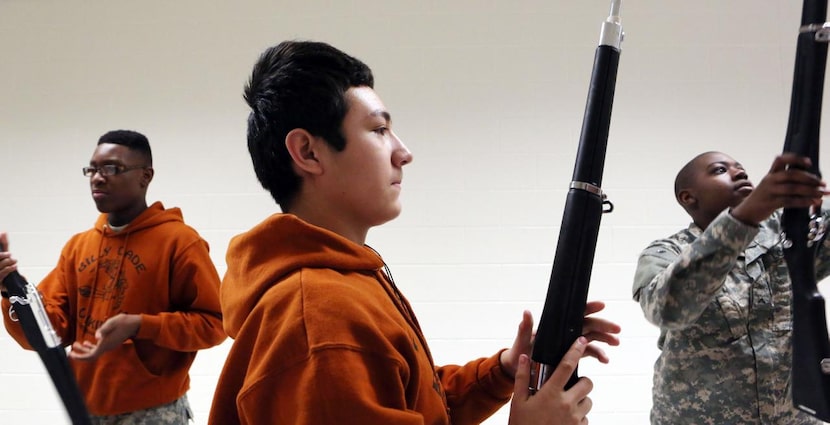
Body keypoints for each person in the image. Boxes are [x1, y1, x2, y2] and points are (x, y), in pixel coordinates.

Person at [208, 40, 621, 425]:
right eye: (378, 130)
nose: (403, 152)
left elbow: (417, 401)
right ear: (309, 152)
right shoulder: (319, 317)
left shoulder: (345, 285)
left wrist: (508, 369)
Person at [0, 130, 226, 424]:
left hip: (154, 412)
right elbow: (49, 332)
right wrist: (11, 290)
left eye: (111, 168)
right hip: (86, 410)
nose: (97, 177)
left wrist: (140, 325)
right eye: (92, 169)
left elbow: (215, 324)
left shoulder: (180, 242)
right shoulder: (78, 247)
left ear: (146, 176)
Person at [632, 151, 829, 424]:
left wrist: (811, 206)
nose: (739, 172)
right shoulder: (667, 253)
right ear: (688, 197)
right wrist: (744, 218)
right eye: (719, 170)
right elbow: (666, 310)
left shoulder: (789, 237)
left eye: (741, 168)